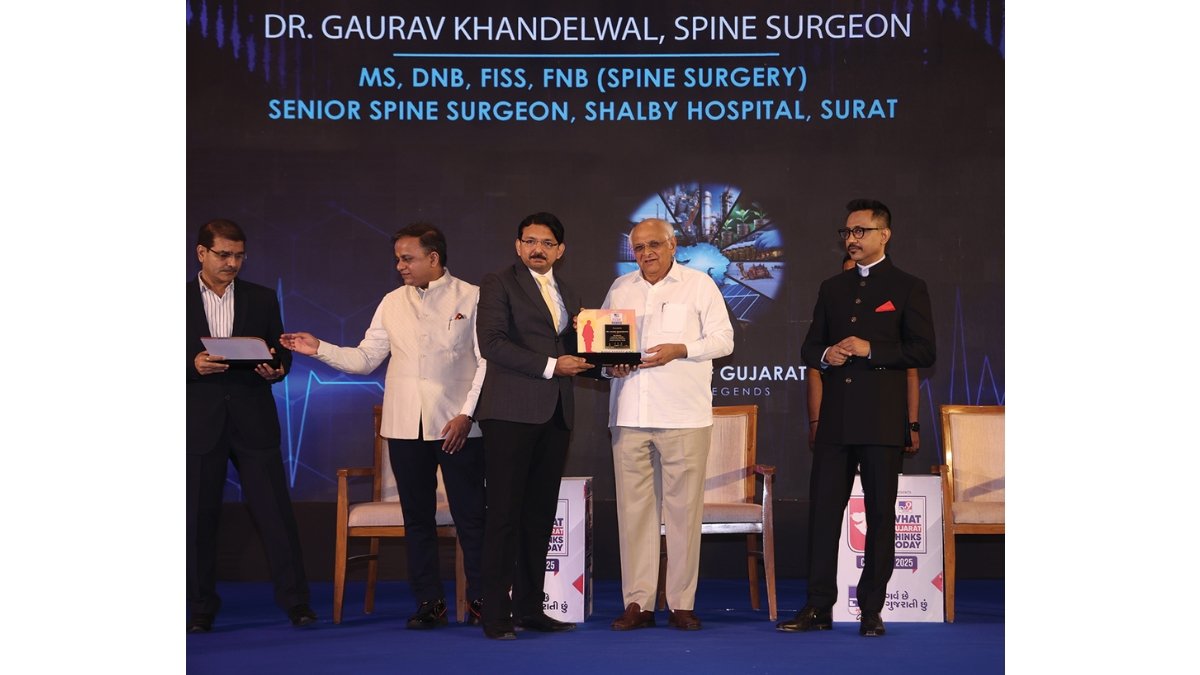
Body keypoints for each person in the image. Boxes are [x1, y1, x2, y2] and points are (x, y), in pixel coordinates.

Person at [279, 223, 487, 629]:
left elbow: (485, 362)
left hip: (457, 425)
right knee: (417, 519)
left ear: (433, 258)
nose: (400, 266)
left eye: (407, 258)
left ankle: (482, 600)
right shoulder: (392, 302)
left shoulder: (472, 296)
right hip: (404, 425)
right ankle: (430, 603)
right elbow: (365, 358)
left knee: (471, 515)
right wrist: (318, 348)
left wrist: (468, 414)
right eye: (397, 259)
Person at [777, 199, 935, 638]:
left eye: (860, 231)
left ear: (885, 234)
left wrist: (872, 350)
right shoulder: (832, 288)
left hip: (882, 422)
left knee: (881, 517)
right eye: (847, 232)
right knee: (823, 514)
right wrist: (827, 354)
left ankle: (871, 610)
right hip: (836, 421)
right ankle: (817, 607)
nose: (852, 238)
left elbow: (924, 350)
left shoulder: (908, 286)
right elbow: (810, 347)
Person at [603, 218, 735, 632]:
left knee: (683, 514)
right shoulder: (619, 289)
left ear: (673, 245)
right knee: (634, 514)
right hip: (630, 414)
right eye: (639, 248)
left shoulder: (699, 285)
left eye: (655, 245)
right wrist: (611, 367)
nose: (647, 254)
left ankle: (681, 603)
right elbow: (605, 351)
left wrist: (682, 348)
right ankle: (638, 603)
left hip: (684, 415)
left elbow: (724, 339)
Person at [186, 218, 316, 633]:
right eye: (224, 254)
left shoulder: (261, 298)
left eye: (239, 256)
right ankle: (200, 608)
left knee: (275, 514)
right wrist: (191, 365)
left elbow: (280, 352)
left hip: (253, 421)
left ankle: (297, 603)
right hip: (199, 423)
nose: (232, 263)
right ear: (201, 253)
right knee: (197, 519)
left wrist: (277, 369)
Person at [473, 212, 595, 640]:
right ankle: (495, 613)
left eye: (546, 243)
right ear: (518, 245)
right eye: (529, 241)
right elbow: (491, 343)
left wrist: (607, 366)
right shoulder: (498, 282)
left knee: (539, 515)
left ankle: (530, 608)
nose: (537, 249)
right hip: (509, 413)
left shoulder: (568, 291)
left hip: (556, 413)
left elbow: (577, 350)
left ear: (560, 251)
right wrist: (550, 366)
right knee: (503, 515)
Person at [806, 256, 922, 454]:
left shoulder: (896, 302)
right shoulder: (832, 301)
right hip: (837, 421)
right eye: (850, 272)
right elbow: (813, 362)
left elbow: (912, 370)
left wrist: (912, 424)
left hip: (881, 421)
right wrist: (816, 422)